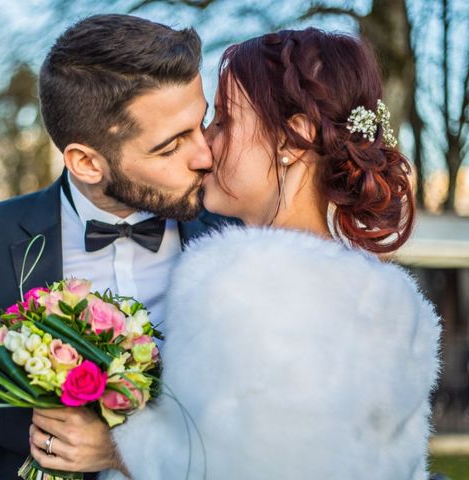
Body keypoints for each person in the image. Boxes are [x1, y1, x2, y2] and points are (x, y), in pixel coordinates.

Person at [91, 28, 441, 479]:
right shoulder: (392, 298)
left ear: (291, 141)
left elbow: (238, 467)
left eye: (224, 122)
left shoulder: (244, 284)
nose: (205, 146)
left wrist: (117, 446)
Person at [0, 14, 229, 479]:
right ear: (86, 162)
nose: (205, 155)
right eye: (171, 145)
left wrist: (126, 450)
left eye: (201, 124)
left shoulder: (238, 238)